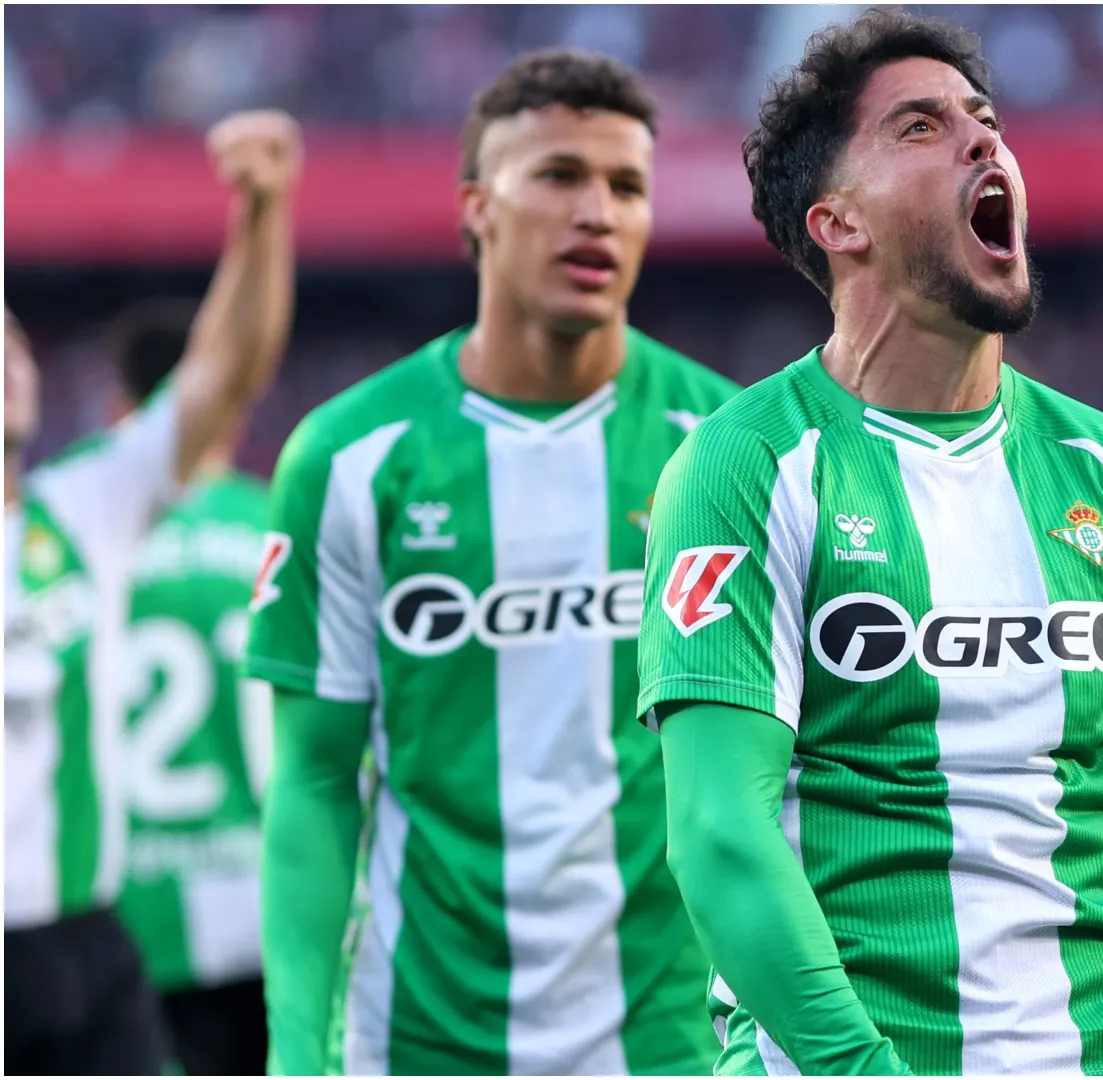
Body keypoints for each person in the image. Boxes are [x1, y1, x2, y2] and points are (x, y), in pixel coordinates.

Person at [636, 10, 1103, 1076]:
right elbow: (721, 830)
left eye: (984, 119)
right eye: (921, 126)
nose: (982, 139)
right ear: (838, 222)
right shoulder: (747, 466)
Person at [245, 50, 737, 1076]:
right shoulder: (350, 457)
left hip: (671, 1044)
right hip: (419, 1041)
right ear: (477, 208)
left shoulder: (725, 451)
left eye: (627, 186)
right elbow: (317, 778)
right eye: (559, 175)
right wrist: (295, 1055)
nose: (597, 212)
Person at [4, 109, 300, 1075]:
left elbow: (222, 372)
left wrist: (261, 213)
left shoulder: (79, 511)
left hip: (92, 943)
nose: (7, 360)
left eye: (13, 341)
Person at [108, 301, 275, 1076]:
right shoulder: (275, 524)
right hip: (273, 902)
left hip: (134, 915)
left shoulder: (78, 540)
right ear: (233, 409)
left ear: (120, 408)